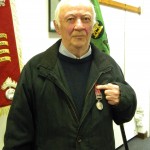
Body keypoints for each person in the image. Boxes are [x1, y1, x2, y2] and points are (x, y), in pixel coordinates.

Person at [3, 0, 137, 150]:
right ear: (57, 26)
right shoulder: (35, 70)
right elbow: (18, 134)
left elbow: (124, 116)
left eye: (86, 19)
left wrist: (123, 97)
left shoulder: (108, 66)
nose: (79, 26)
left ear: (93, 26)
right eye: (70, 19)